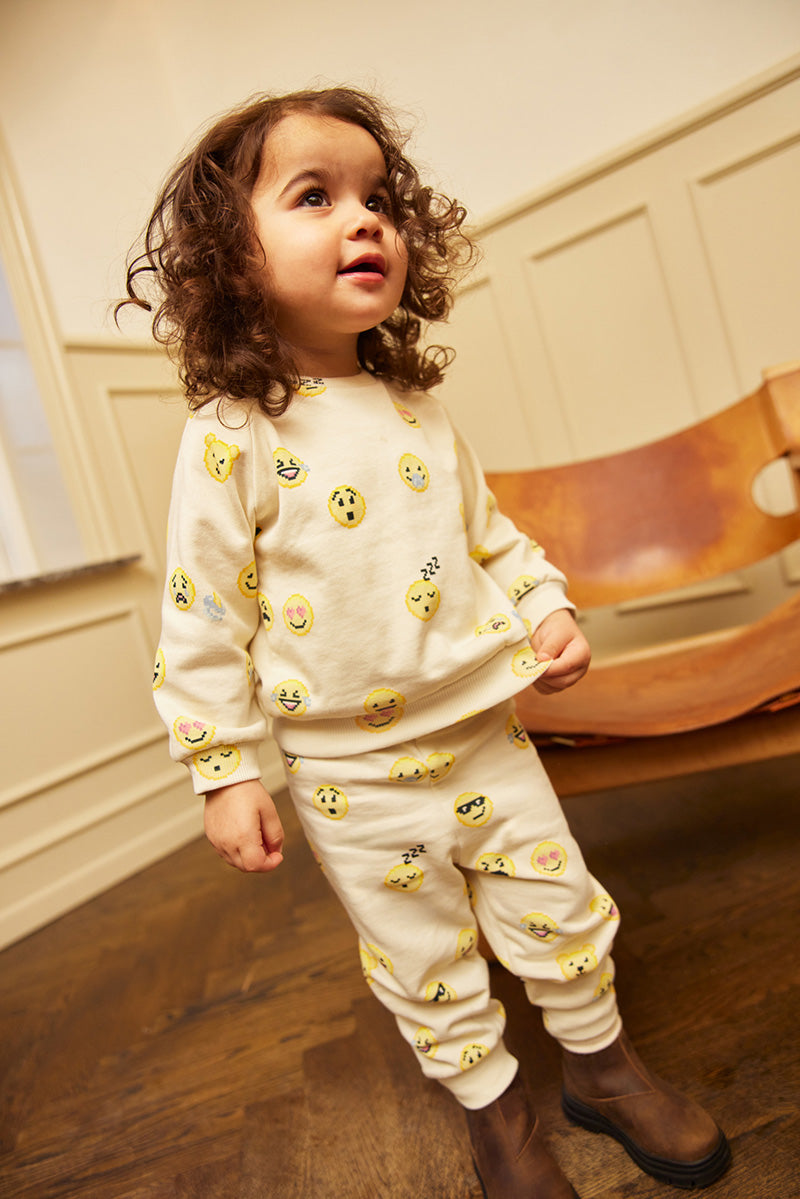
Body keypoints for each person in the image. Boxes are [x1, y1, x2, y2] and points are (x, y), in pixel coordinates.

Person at [119, 86, 730, 1198]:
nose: (366, 220)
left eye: (379, 199)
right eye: (316, 196)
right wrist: (223, 770)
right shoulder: (227, 440)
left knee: (557, 906)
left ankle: (602, 1069)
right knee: (425, 956)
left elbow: (490, 537)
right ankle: (499, 1118)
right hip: (350, 776)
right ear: (231, 258)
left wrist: (544, 606)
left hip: (486, 732)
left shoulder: (414, 407)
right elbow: (201, 619)